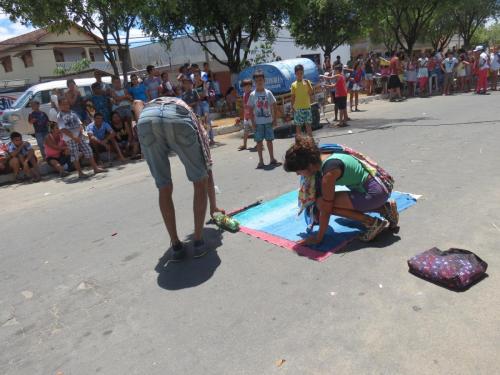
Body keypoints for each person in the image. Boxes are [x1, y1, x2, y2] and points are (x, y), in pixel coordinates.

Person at [135, 97, 224, 260]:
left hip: (145, 119)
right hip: (177, 118)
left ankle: (176, 245)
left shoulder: (150, 103)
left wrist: (143, 125)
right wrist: (213, 207)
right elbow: (207, 171)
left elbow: (136, 103)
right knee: (199, 181)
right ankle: (198, 242)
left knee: (163, 186)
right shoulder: (197, 124)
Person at [283, 137, 398, 244]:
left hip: (375, 192)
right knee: (325, 201)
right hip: (380, 184)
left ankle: (372, 223)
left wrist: (318, 237)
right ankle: (384, 209)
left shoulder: (329, 173)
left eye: (298, 171)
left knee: (322, 204)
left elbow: (326, 209)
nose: (298, 174)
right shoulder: (323, 153)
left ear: (309, 166)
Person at [57, 98, 105, 179]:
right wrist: (74, 137)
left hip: (79, 136)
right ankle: (80, 173)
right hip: (70, 139)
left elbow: (80, 124)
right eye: (64, 104)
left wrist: (79, 135)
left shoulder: (73, 113)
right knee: (75, 155)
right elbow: (63, 129)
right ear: (60, 106)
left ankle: (95, 168)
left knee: (88, 150)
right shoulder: (60, 115)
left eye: (67, 104)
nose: (66, 106)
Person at [247, 70, 280, 169]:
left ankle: (272, 158)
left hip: (268, 121)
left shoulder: (268, 93)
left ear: (264, 80)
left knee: (269, 141)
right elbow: (250, 109)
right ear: (254, 82)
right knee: (259, 142)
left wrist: (274, 119)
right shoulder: (252, 95)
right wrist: (253, 123)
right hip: (258, 123)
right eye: (257, 81)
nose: (259, 82)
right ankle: (261, 161)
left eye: (261, 80)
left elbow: (274, 105)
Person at [291, 64, 314, 138]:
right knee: (298, 128)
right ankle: (298, 145)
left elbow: (311, 93)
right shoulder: (293, 85)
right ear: (295, 74)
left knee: (308, 127)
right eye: (298, 74)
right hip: (298, 109)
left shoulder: (307, 82)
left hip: (307, 107)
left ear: (303, 73)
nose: (299, 75)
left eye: (301, 73)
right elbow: (293, 97)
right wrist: (292, 108)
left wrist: (308, 83)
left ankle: (311, 144)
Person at [194, 70, 215, 144]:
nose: (195, 77)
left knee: (207, 120)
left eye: (197, 75)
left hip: (204, 103)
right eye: (194, 76)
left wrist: (198, 96)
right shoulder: (194, 85)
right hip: (198, 104)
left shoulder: (204, 83)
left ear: (200, 76)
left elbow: (204, 93)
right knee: (200, 121)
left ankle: (211, 138)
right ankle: (204, 139)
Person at [238, 79, 254, 151]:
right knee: (245, 131)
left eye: (248, 86)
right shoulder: (244, 94)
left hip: (252, 116)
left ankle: (260, 144)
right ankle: (244, 144)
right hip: (246, 116)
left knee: (255, 131)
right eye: (245, 86)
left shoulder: (252, 94)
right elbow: (244, 106)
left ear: (251, 86)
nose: (247, 88)